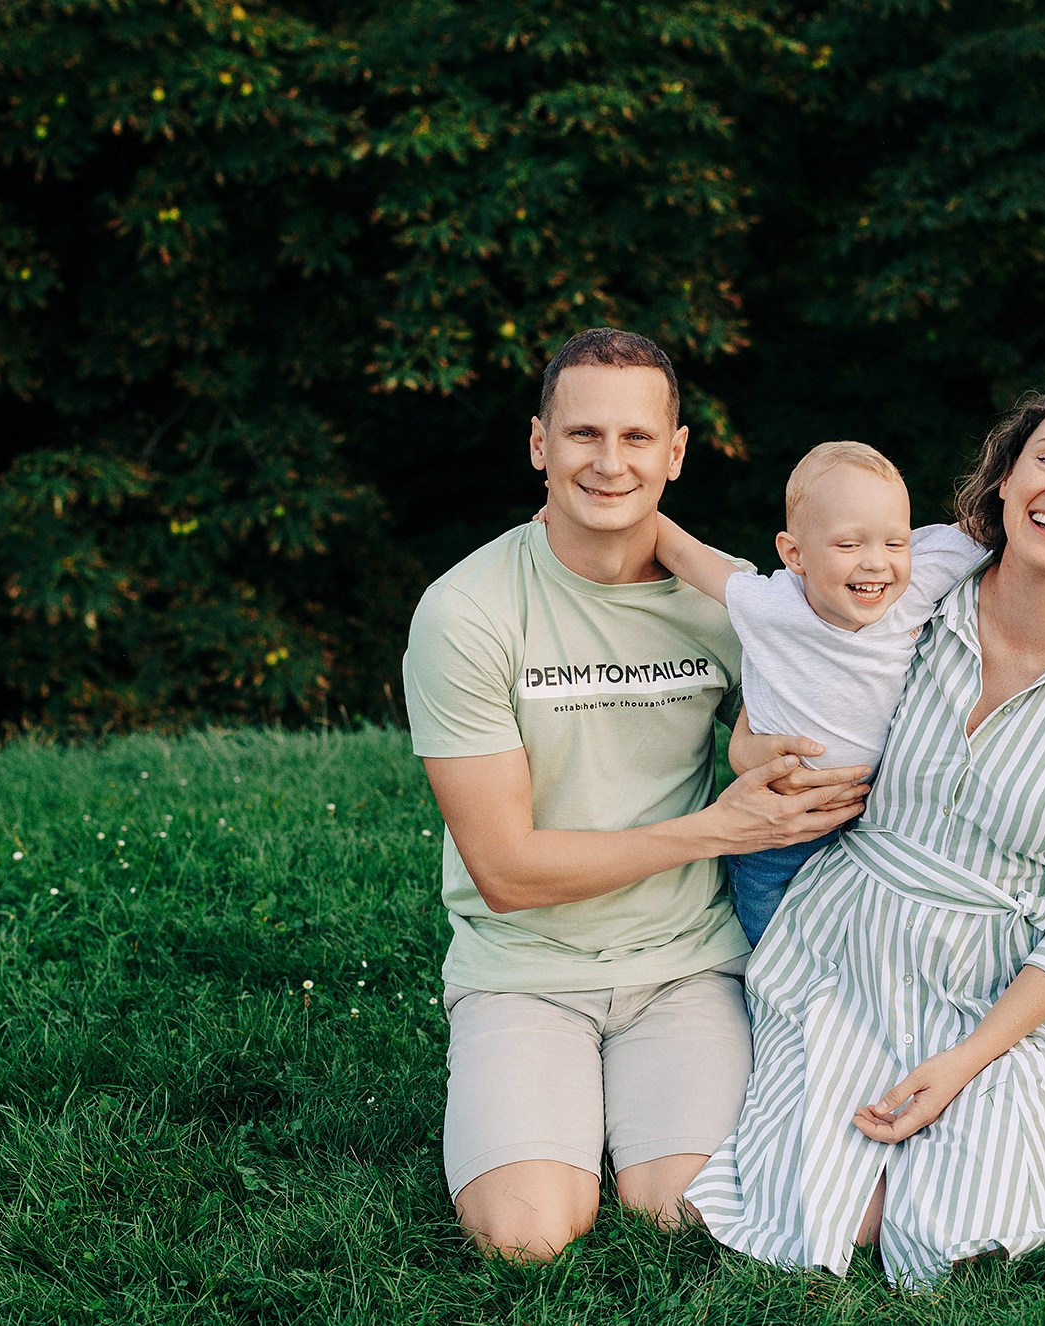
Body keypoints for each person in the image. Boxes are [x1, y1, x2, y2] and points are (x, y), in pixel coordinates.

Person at [685, 386, 1045, 1286]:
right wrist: (749, 748)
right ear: (1005, 480)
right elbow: (791, 671)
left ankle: (1006, 1107)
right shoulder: (913, 594)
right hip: (851, 937)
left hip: (1006, 973)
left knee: (961, 1221)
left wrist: (966, 1060)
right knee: (838, 1211)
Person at [401, 327, 868, 1262]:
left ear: (676, 452)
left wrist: (760, 750)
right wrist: (716, 829)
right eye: (583, 434)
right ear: (540, 444)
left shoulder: (731, 604)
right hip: (523, 969)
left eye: (637, 438)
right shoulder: (466, 610)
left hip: (688, 963)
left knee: (687, 1215)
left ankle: (637, 1131)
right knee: (527, 1234)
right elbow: (505, 872)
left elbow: (833, 691)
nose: (609, 463)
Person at [652, 441, 1045, 945]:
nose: (876, 564)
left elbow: (1019, 529)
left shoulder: (916, 585)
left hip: (875, 826)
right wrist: (606, 507)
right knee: (770, 953)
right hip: (777, 831)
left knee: (848, 945)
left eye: (895, 543)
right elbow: (678, 549)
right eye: (848, 545)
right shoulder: (768, 603)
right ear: (794, 554)